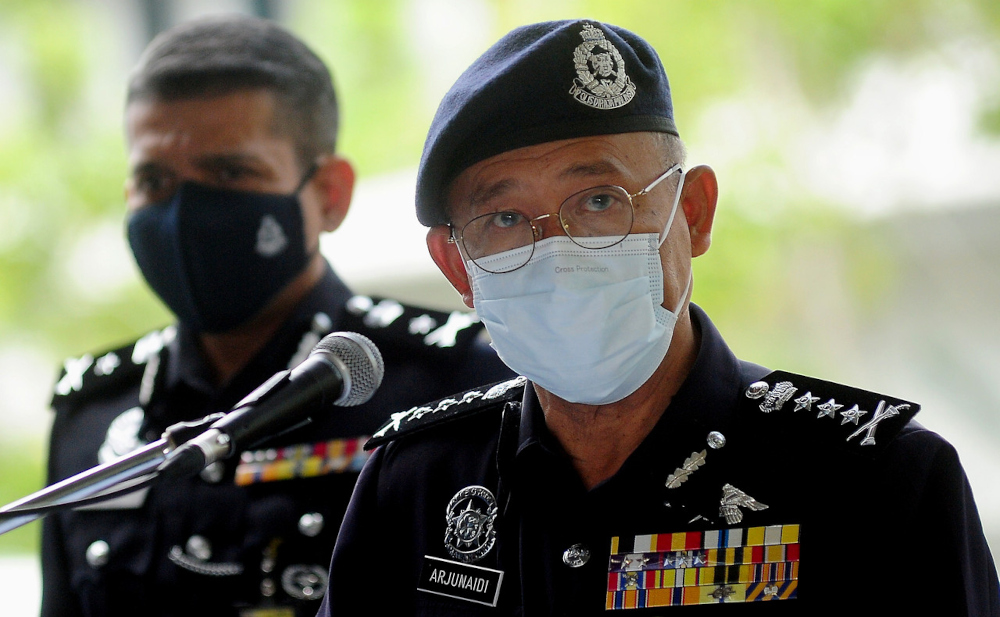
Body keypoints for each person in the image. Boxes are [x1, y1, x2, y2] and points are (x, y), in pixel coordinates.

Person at [318, 19, 1000, 616]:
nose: (559, 250)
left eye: (599, 201)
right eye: (505, 218)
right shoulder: (414, 486)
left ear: (694, 213)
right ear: (457, 265)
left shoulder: (877, 484)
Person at [40, 14, 513, 617]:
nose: (184, 215)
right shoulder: (96, 413)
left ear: (329, 195)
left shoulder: (458, 384)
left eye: (230, 173)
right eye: (153, 181)